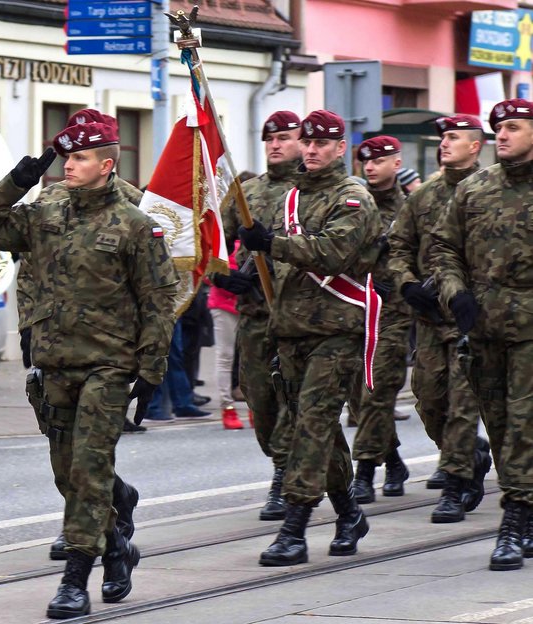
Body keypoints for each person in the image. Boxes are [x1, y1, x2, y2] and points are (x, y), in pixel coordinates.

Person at [0, 115, 178, 618]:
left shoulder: (133, 224)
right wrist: (20, 178)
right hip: (54, 362)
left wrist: (151, 372)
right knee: (68, 474)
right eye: (66, 158)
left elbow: (158, 300)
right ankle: (117, 548)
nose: (68, 167)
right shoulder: (46, 210)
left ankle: (75, 579)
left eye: (80, 159)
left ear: (106, 166)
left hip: (108, 365)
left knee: (88, 468)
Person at [238, 109, 383, 566]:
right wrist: (241, 270)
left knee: (311, 428)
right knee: (321, 433)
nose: (314, 149)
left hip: (336, 331)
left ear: (341, 148)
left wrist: (272, 244)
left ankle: (294, 529)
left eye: (325, 143)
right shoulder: (289, 198)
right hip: (290, 331)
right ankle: (348, 512)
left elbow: (332, 253)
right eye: (309, 142)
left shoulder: (354, 198)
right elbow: (265, 259)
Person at [17, 108, 142, 560]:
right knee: (65, 452)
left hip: (106, 348)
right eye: (66, 149)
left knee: (89, 457)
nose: (68, 160)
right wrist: (29, 326)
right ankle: (111, 504)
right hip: (53, 339)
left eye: (82, 149)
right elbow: (30, 272)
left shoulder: (130, 205)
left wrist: (149, 357)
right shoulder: (51, 201)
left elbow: (150, 284)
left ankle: (87, 538)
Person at [430, 99, 533, 570]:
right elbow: (444, 247)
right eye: (499, 128)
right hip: (484, 328)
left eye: (514, 126)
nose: (504, 135)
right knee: (498, 424)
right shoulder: (475, 188)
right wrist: (455, 294)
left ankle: (513, 520)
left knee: (523, 425)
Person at [388, 114, 491, 524]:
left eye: (453, 137)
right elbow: (398, 247)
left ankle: (454, 484)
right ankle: (471, 454)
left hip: (472, 320)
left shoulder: (489, 191)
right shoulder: (423, 196)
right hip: (430, 320)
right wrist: (407, 285)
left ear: (474, 146)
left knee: (464, 405)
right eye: (442, 138)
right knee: (430, 402)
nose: (444, 144)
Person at [219, 110, 301, 521]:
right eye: (271, 138)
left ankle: (286, 476)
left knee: (296, 399)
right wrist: (226, 276)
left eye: (285, 137)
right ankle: (282, 461)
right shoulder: (245, 192)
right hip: (255, 315)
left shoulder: (313, 191)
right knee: (260, 400)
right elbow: (212, 240)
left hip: (304, 318)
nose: (276, 145)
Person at [346, 136, 410, 504]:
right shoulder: (354, 204)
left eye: (379, 161)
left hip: (394, 312)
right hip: (355, 308)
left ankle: (365, 471)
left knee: (377, 390)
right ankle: (395, 461)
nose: (370, 167)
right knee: (360, 397)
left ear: (396, 164)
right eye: (365, 161)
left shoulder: (411, 207)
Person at [207, 243, 245, 429]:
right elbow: (206, 266)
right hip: (224, 303)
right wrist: (222, 277)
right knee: (226, 356)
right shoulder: (222, 237)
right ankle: (227, 406)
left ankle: (257, 406)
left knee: (253, 357)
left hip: (252, 304)